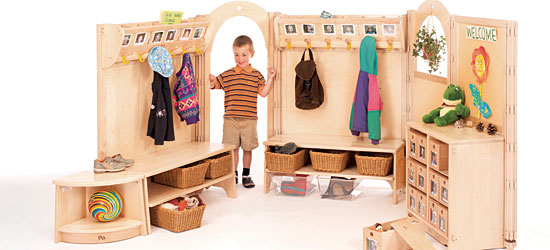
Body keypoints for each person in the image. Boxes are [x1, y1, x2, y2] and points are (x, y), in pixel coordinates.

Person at [209, 35, 276, 188]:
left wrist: (270, 78)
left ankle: (246, 174)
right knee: (232, 148)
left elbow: (264, 93)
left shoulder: (257, 75)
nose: (240, 59)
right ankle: (234, 175)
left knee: (247, 148)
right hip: (230, 119)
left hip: (249, 120)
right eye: (236, 55)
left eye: (244, 55)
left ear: (251, 54)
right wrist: (212, 81)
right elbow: (214, 86)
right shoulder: (228, 74)